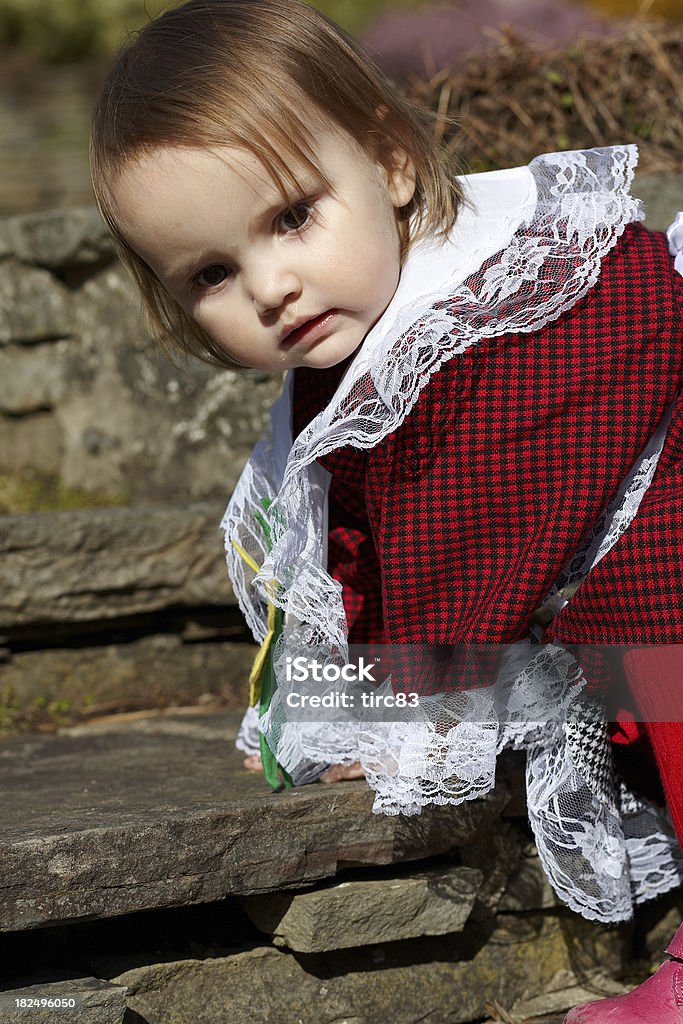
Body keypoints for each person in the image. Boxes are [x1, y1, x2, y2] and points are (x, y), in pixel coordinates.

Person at [89, 1, 683, 1019]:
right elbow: (354, 562)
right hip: (593, 568)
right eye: (212, 274)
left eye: (289, 218)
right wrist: (321, 701)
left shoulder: (495, 306)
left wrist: (395, 716)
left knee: (656, 630)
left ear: (390, 162)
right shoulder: (347, 368)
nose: (272, 286)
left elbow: (472, 543)